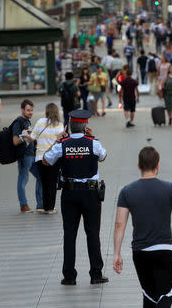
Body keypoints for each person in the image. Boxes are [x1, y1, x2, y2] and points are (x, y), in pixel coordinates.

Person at [113, 146, 172, 308]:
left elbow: (119, 224)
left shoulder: (126, 191)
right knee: (166, 295)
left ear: (139, 166)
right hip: (164, 250)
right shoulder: (170, 189)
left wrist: (117, 253)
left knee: (149, 296)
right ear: (158, 165)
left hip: (140, 252)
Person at [43, 110, 108, 286]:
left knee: (70, 234)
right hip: (90, 194)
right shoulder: (92, 143)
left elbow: (45, 161)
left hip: (69, 194)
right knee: (92, 233)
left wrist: (58, 140)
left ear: (70, 127)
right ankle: (96, 273)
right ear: (85, 126)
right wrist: (92, 137)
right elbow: (103, 156)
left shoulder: (62, 144)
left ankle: (69, 276)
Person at [30, 103, 64, 214]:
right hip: (53, 158)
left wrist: (27, 134)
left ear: (46, 111)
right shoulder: (60, 125)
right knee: (52, 183)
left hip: (40, 157)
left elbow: (32, 138)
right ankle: (51, 208)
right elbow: (61, 143)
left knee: (44, 182)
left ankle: (45, 206)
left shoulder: (40, 122)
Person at [12, 99, 43, 213]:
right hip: (24, 156)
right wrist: (26, 135)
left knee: (40, 177)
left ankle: (40, 204)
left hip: (32, 155)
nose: (30, 112)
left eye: (32, 110)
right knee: (23, 179)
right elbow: (15, 141)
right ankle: (23, 205)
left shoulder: (27, 122)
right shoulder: (18, 122)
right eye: (28, 110)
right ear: (22, 110)